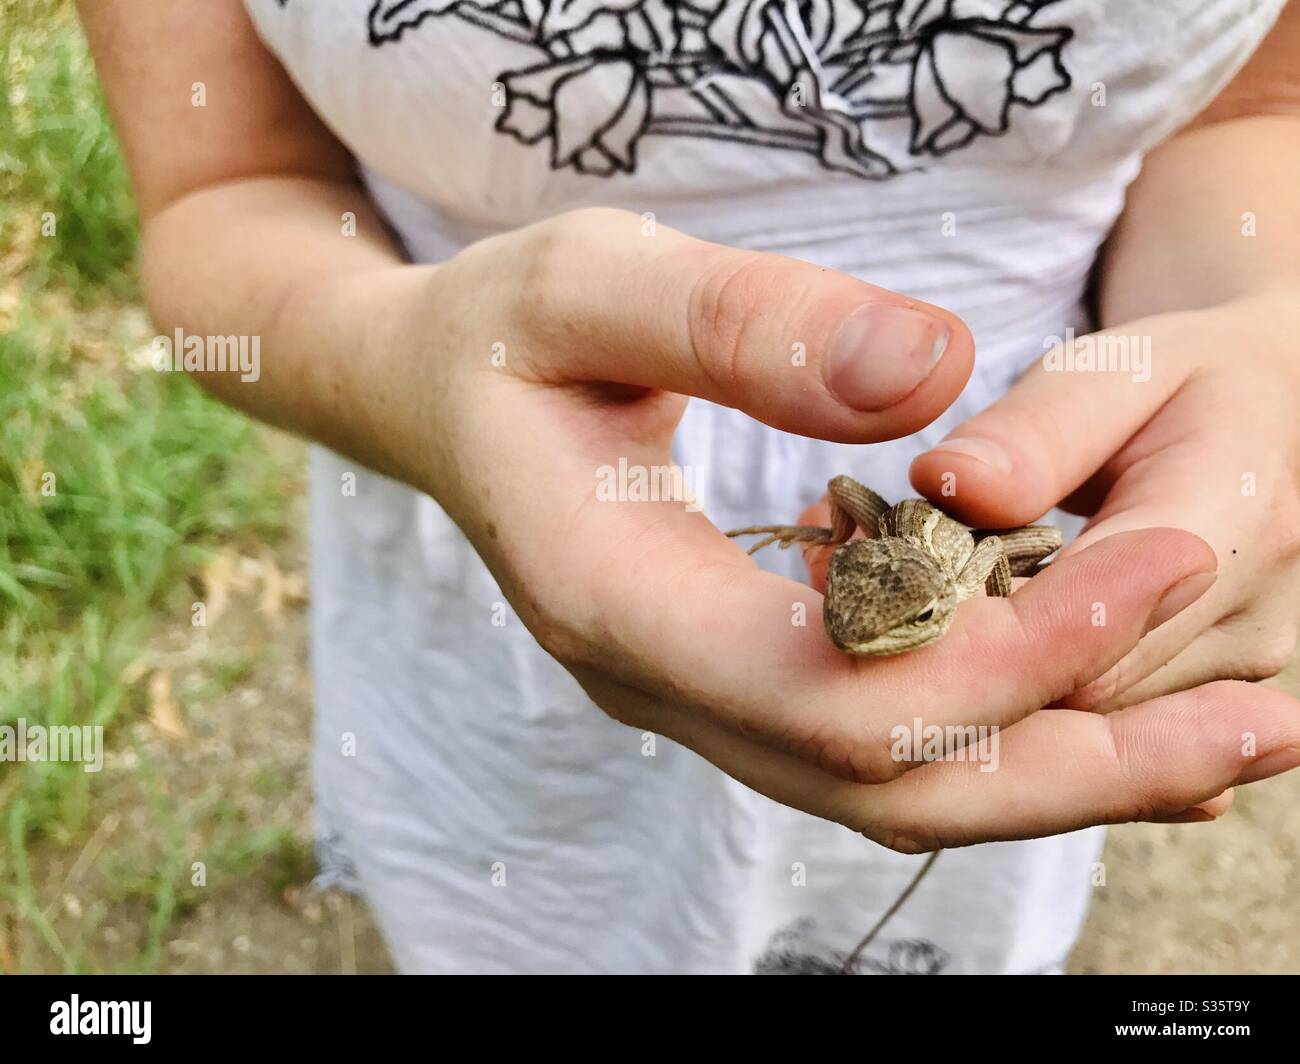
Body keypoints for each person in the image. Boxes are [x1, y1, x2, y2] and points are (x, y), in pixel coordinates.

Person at [79, 0, 1300, 974]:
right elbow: (217, 186)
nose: (853, 628)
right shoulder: (870, 579)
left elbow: (1254, 104)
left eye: (895, 615)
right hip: (483, 540)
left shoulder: (963, 570)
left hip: (1010, 499)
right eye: (858, 605)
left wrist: (1259, 342)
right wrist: (408, 363)